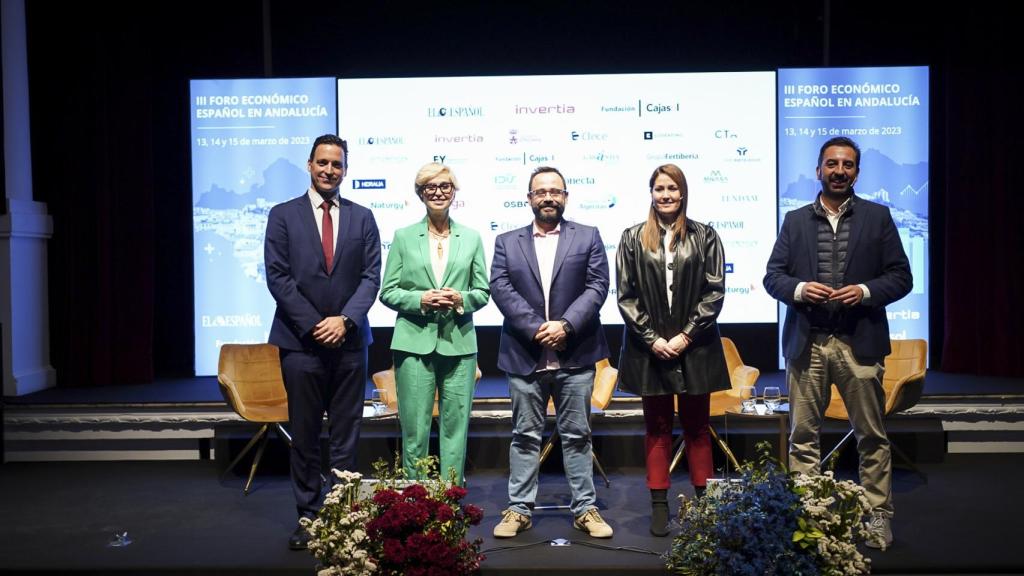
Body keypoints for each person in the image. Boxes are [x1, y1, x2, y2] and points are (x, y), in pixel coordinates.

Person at [763, 136, 912, 550]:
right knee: (803, 438)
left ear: (857, 173)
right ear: (819, 170)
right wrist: (797, 290)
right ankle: (810, 519)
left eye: (847, 165)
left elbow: (902, 277)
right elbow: (772, 276)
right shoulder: (794, 220)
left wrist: (864, 291)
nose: (839, 171)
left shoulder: (878, 217)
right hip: (806, 343)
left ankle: (878, 516)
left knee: (871, 436)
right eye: (832, 164)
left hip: (858, 343)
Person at [264, 134, 381, 550]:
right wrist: (317, 324)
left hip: (351, 344)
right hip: (301, 345)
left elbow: (371, 277)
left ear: (345, 170)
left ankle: (343, 516)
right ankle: (310, 519)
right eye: (323, 163)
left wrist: (346, 320)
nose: (330, 170)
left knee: (348, 437)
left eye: (337, 164)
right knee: (306, 436)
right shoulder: (282, 215)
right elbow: (277, 277)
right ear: (310, 165)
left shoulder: (363, 217)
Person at [489, 166, 614, 539]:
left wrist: (565, 326)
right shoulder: (506, 241)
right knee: (524, 435)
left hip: (575, 353)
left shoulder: (588, 236)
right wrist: (537, 329)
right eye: (540, 191)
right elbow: (500, 287)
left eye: (555, 192)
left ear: (565, 197)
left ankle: (586, 509)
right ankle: (518, 509)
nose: (548, 197)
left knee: (578, 436)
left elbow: (597, 286)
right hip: (524, 355)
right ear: (529, 198)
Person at [616, 164, 730, 536]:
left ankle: (706, 507)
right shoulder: (632, 237)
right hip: (651, 350)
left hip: (695, 348)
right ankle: (660, 506)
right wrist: (652, 338)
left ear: (683, 193)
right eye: (659, 188)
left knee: (698, 428)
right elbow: (626, 295)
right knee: (657, 428)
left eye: (672, 188)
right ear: (651, 193)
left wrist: (686, 335)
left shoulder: (706, 236)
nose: (665, 194)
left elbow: (714, 293)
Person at [379, 163, 489, 486]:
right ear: (420, 193)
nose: (438, 192)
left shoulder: (471, 238)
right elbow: (388, 291)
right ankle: (416, 503)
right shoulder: (403, 237)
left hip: (460, 345)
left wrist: (460, 300)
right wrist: (420, 300)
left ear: (454, 192)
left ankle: (450, 505)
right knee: (415, 431)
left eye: (445, 186)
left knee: (456, 430)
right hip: (413, 344)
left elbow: (483, 292)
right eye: (430, 187)